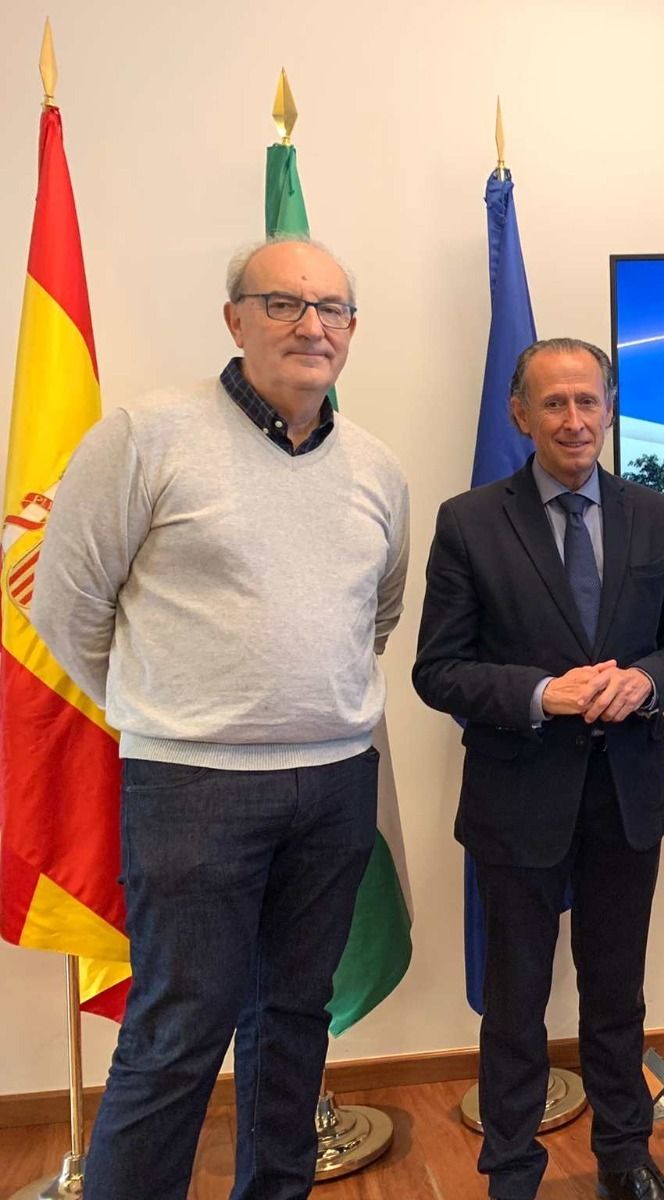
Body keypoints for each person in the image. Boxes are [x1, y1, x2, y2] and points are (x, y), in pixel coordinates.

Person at [31, 237, 409, 1200]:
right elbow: (68, 611)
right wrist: (176, 709)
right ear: (234, 319)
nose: (311, 325)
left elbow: (376, 615)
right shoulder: (144, 436)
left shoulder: (377, 468)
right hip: (193, 790)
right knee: (176, 1034)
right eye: (283, 303)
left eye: (332, 309)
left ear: (353, 334)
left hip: (334, 784)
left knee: (294, 1023)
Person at [413, 337, 664, 1200]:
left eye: (588, 402)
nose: (574, 420)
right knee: (515, 1004)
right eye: (554, 404)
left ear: (609, 409)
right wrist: (547, 694)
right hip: (518, 800)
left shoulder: (655, 515)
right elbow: (438, 670)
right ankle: (511, 1173)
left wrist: (646, 681)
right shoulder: (468, 521)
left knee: (617, 997)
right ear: (520, 414)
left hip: (627, 798)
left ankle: (626, 1159)